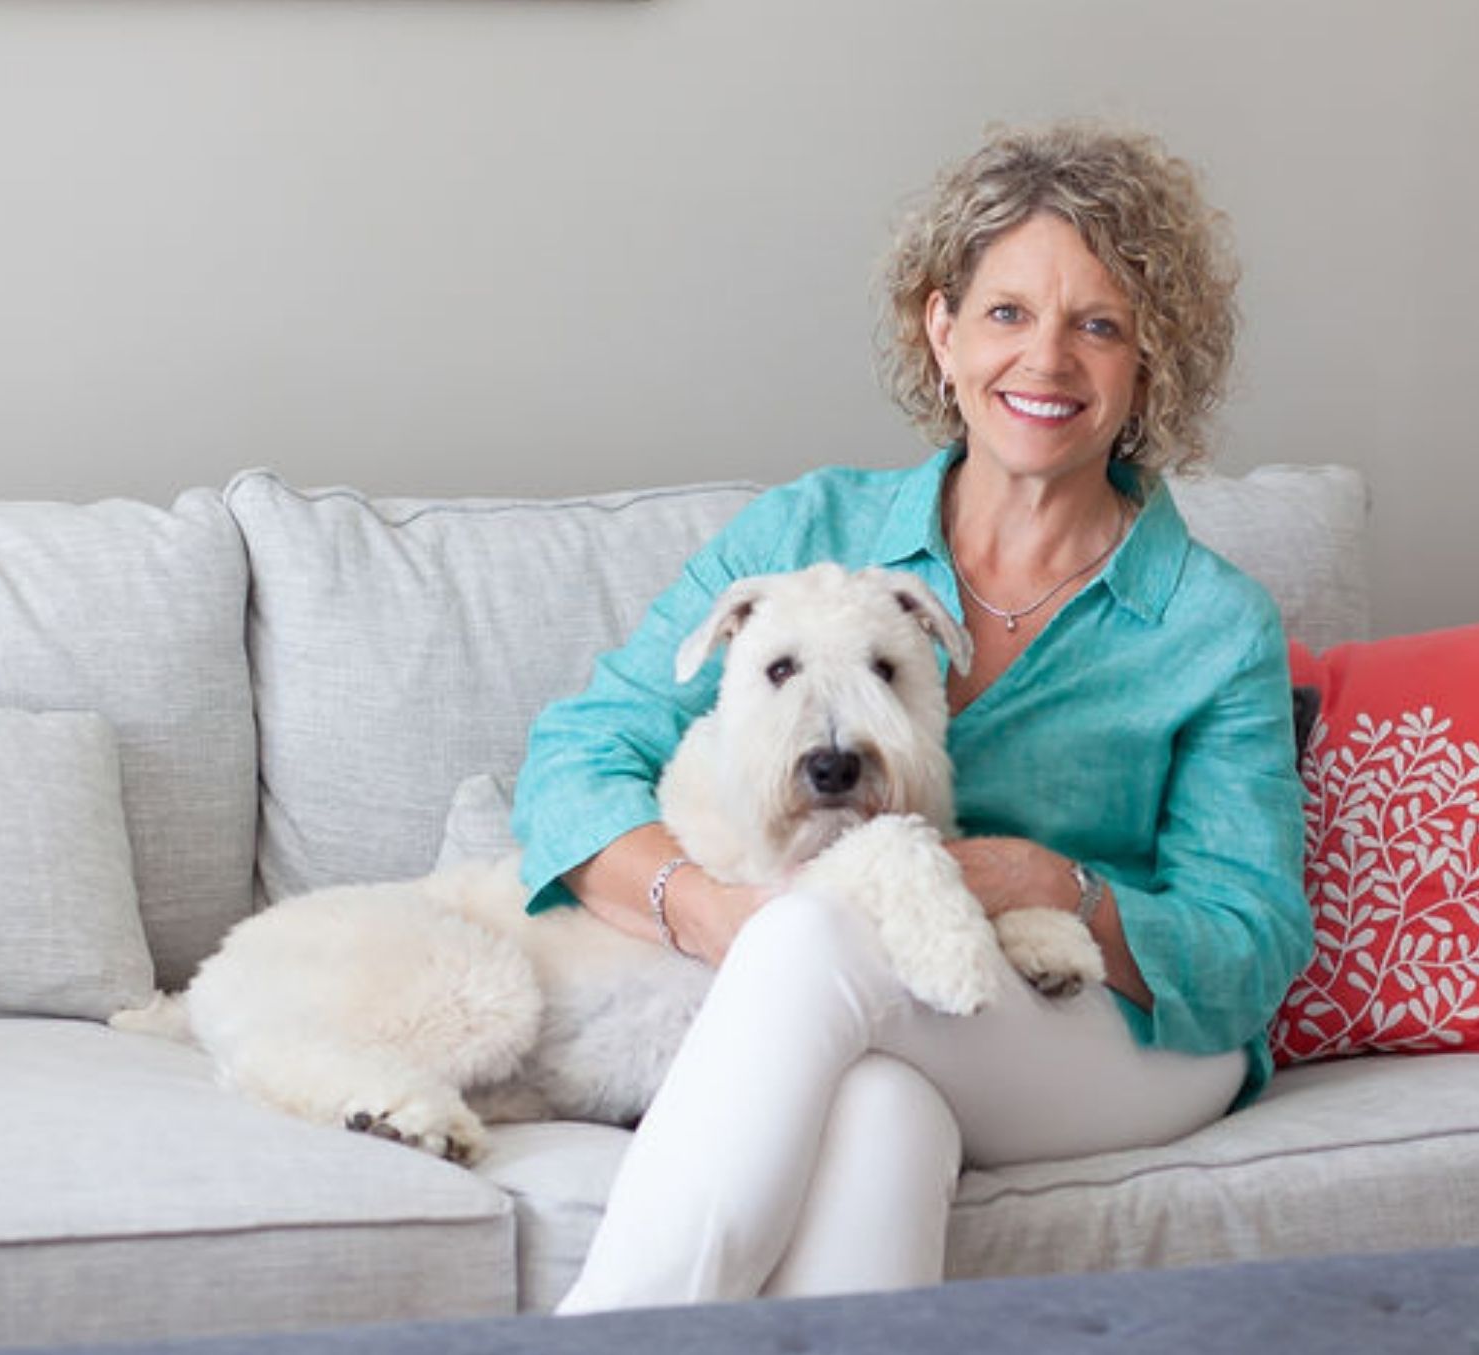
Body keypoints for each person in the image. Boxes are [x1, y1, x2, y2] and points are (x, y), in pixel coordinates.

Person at [509, 121, 1309, 1311]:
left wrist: (1059, 888)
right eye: (1005, 314)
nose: (1046, 360)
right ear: (940, 329)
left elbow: (1251, 943)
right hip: (891, 1007)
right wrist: (708, 912)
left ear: (1150, 363)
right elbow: (579, 755)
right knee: (878, 1114)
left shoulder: (1211, 623)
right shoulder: (804, 536)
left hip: (1112, 1035)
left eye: (1098, 324)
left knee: (810, 936)